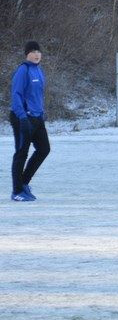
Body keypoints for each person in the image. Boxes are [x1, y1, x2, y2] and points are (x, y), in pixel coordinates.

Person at [9, 41, 50, 202]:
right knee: (21, 153)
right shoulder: (23, 70)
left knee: (44, 149)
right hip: (23, 118)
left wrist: (41, 112)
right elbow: (16, 94)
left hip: (37, 118)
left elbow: (37, 95)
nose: (36, 54)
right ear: (27, 54)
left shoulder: (39, 70)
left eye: (38, 51)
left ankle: (24, 182)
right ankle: (17, 191)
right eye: (33, 51)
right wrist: (22, 116)